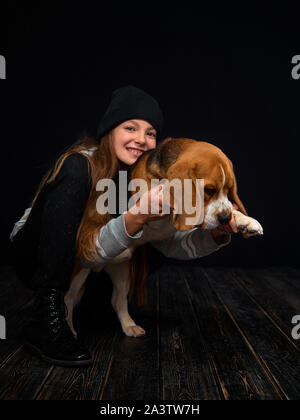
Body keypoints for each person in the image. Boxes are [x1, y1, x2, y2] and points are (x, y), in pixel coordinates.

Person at [9, 85, 237, 367]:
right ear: (110, 131)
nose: (141, 139)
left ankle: (103, 306)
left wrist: (213, 235)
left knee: (149, 234)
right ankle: (46, 317)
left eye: (150, 133)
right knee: (77, 173)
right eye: (130, 128)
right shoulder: (85, 163)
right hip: (35, 256)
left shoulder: (147, 178)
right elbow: (81, 252)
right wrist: (134, 218)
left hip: (91, 267)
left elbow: (168, 244)